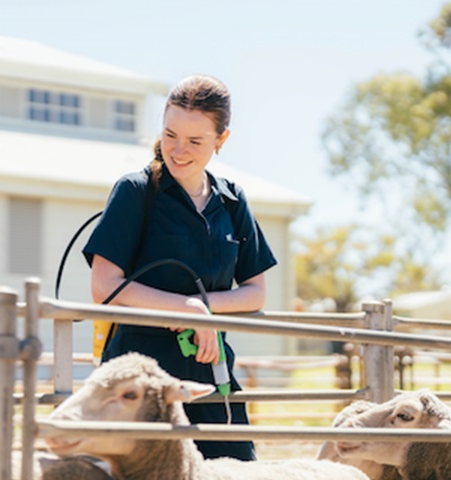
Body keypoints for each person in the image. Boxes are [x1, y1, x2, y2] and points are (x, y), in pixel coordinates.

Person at [82, 74, 276, 461]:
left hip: (211, 371)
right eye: (170, 135)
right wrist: (186, 308)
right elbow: (104, 286)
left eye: (195, 141)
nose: (178, 150)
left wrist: (203, 310)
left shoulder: (233, 202)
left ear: (222, 140)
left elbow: (255, 292)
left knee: (236, 470)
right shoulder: (135, 191)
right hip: (138, 378)